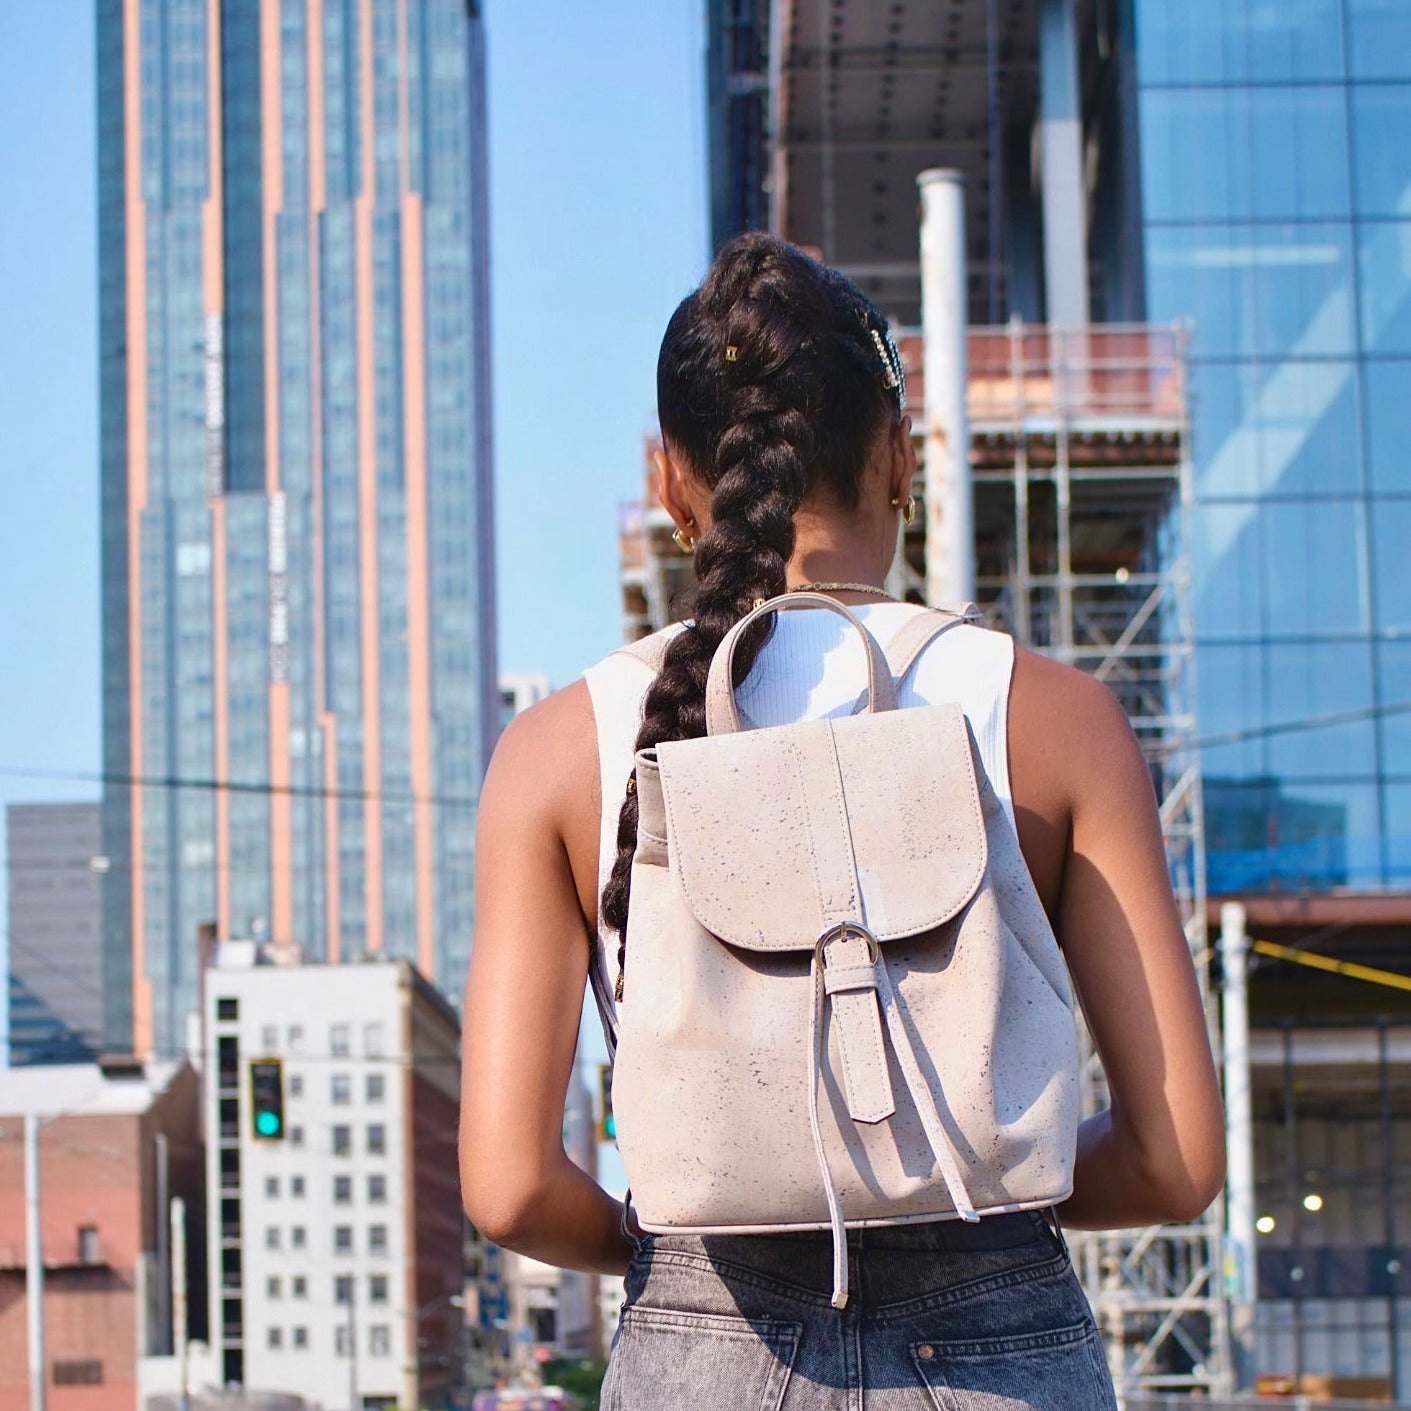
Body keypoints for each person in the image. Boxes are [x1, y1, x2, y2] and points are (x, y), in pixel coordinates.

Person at [459, 231, 1225, 1408]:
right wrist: (971, 1169)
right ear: (901, 458)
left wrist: (673, 1235)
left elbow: (508, 1186)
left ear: (672, 482)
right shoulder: (1056, 720)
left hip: (700, 1355)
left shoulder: (559, 750)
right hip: (1001, 1346)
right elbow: (1177, 1162)